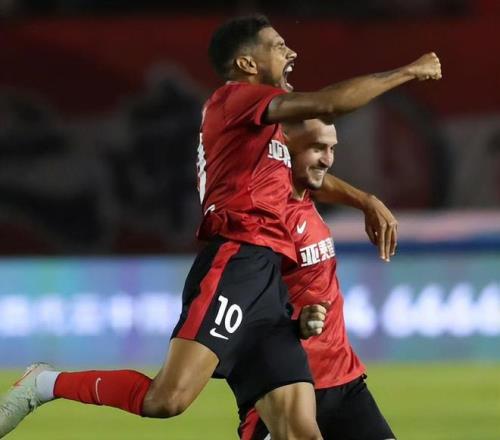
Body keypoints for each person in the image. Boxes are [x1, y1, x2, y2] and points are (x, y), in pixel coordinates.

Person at [0, 15, 440, 440]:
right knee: (166, 399)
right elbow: (330, 103)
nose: (291, 52)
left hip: (267, 280)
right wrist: (408, 71)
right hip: (237, 259)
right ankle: (45, 383)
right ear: (247, 63)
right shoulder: (235, 99)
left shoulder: (262, 137)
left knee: (301, 434)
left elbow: (311, 177)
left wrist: (364, 200)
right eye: (277, 46)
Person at [239, 120, 397, 439]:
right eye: (317, 148)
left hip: (344, 382)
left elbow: (316, 179)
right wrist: (294, 323)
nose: (327, 159)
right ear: (285, 148)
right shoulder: (264, 219)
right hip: (286, 390)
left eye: (332, 148)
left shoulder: (303, 193)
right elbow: (243, 310)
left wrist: (366, 200)